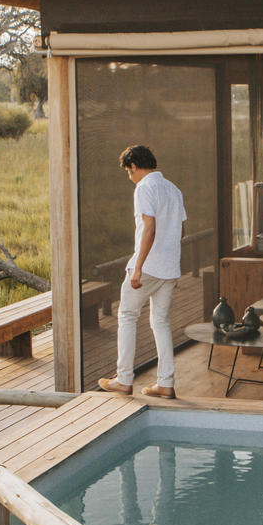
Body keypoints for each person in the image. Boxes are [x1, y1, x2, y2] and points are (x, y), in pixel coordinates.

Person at [99, 144, 184, 397]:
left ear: (134, 166)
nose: (130, 176)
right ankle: (165, 383)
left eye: (129, 171)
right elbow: (180, 231)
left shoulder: (144, 188)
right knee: (160, 322)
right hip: (170, 268)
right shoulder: (173, 189)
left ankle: (124, 379)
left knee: (127, 316)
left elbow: (149, 228)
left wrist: (137, 268)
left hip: (148, 266)